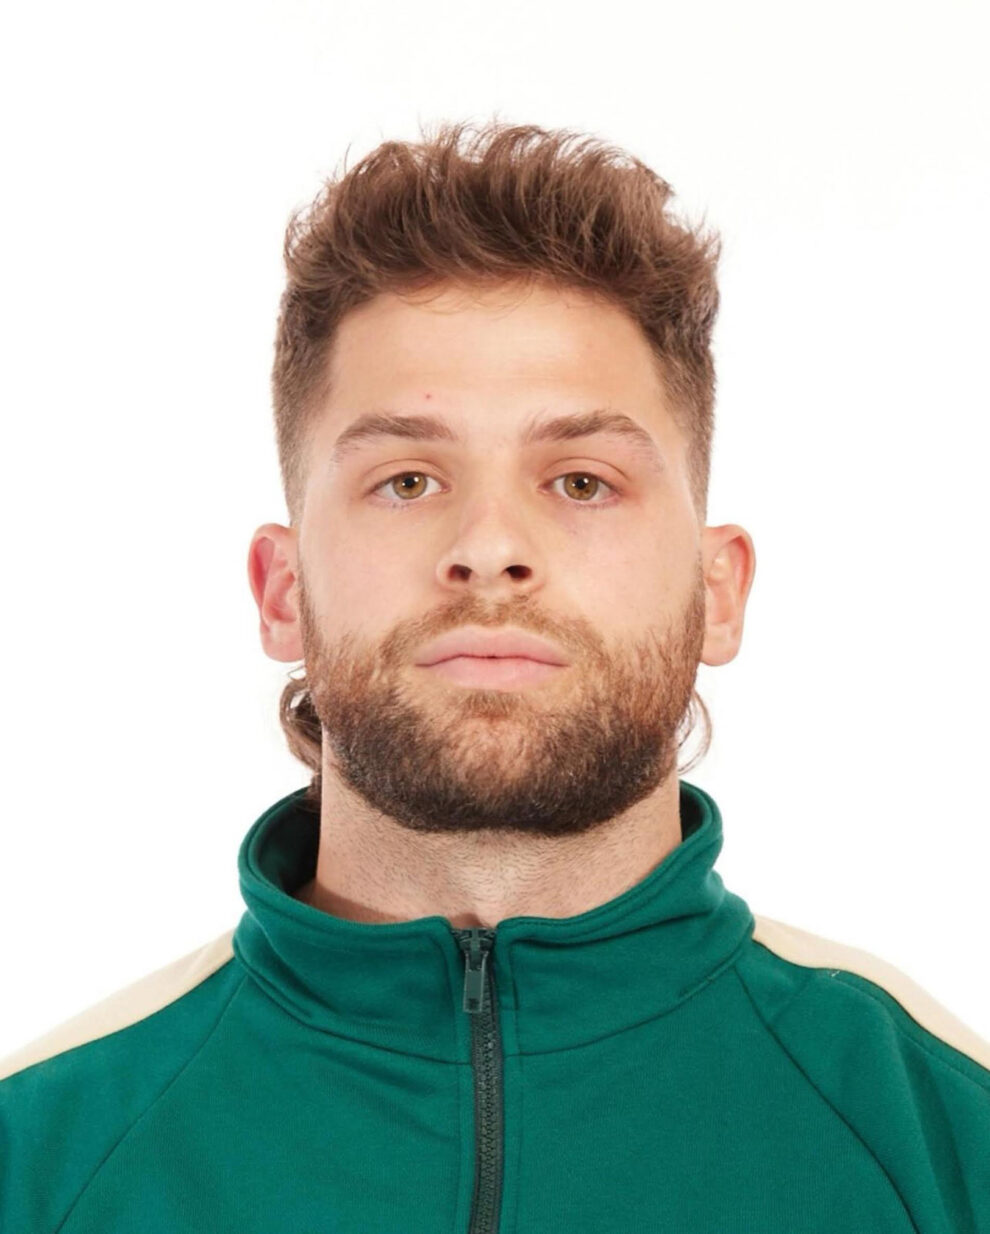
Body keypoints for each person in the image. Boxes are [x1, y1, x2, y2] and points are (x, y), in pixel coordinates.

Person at [2, 118, 987, 1233]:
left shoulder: (950, 1139)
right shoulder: (37, 1161)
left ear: (717, 591)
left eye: (581, 481)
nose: (489, 547)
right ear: (282, 590)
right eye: (408, 480)